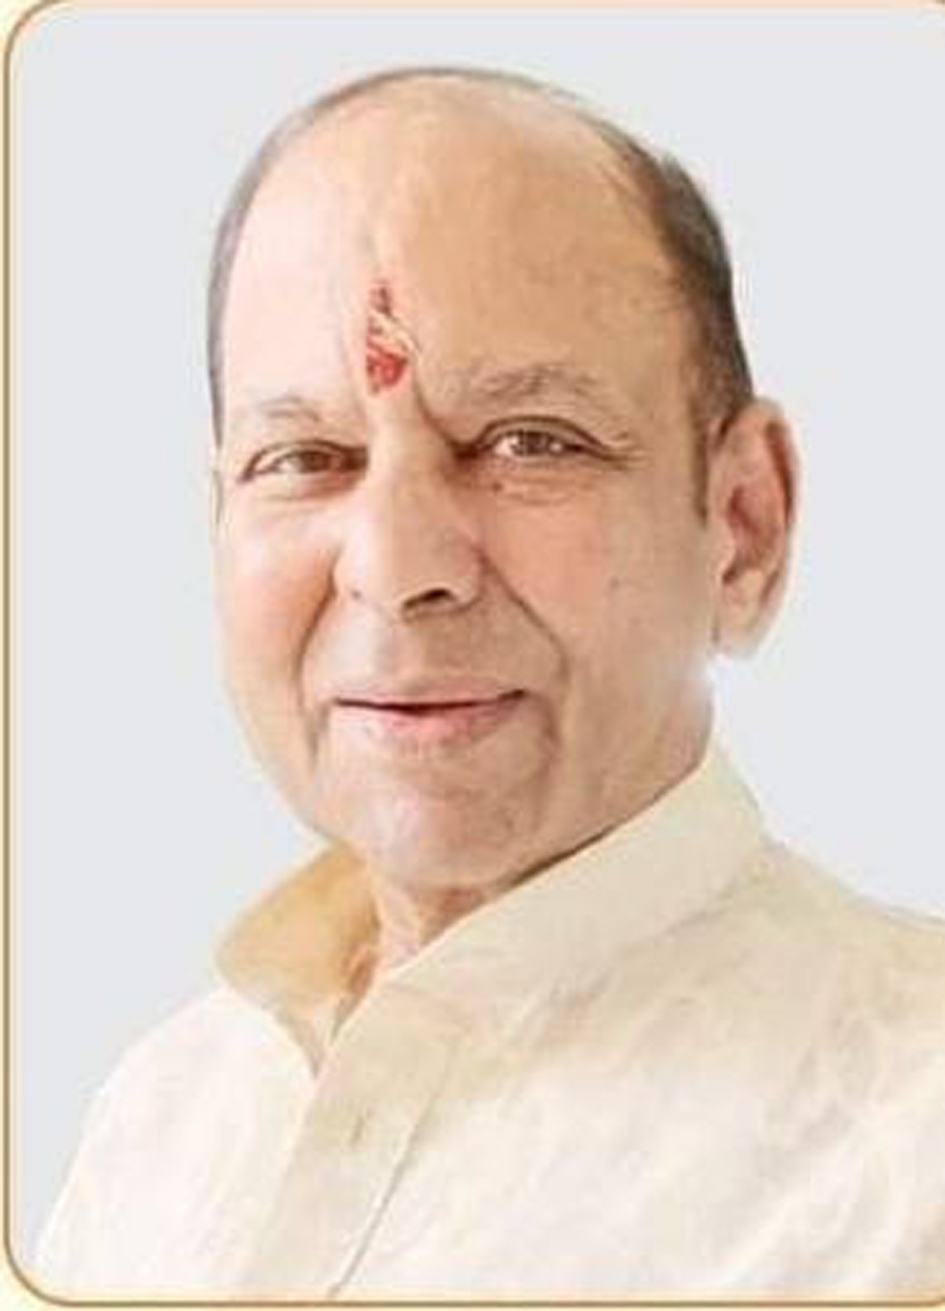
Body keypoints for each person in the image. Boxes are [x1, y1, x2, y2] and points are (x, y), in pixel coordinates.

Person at [33, 67, 945, 1300]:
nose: (396, 567)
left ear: (743, 526)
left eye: (530, 443)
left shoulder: (912, 1148)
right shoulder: (161, 1123)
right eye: (305, 458)